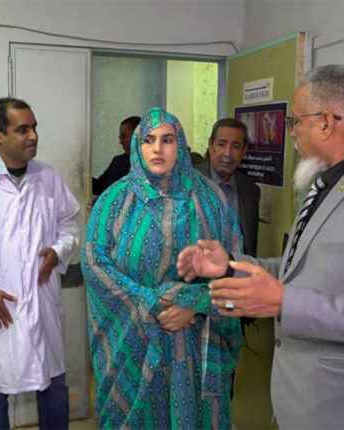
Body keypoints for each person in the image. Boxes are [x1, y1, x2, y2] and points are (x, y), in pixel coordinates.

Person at [177, 65, 344, 429]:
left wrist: (285, 303)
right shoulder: (325, 186)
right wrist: (229, 265)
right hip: (306, 403)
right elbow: (297, 270)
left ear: (326, 123)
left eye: (295, 121)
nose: (292, 132)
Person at [81, 107, 242, 429]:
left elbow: (234, 265)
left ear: (180, 145)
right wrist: (149, 301)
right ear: (137, 146)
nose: (158, 148)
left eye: (167, 140)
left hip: (195, 341)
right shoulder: (115, 200)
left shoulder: (210, 199)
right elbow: (94, 262)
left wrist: (194, 304)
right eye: (149, 140)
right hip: (133, 342)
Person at [0, 97, 81, 430]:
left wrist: (58, 251)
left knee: (52, 384)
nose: (33, 136)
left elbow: (69, 223)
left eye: (34, 127)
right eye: (22, 130)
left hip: (42, 302)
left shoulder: (49, 178)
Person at [195, 118, 260, 257]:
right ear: (210, 145)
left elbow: (250, 246)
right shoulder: (187, 182)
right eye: (221, 144)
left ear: (244, 151)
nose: (227, 154)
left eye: (235, 146)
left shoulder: (250, 190)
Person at [92, 115, 141, 195]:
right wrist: (81, 174)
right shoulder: (118, 162)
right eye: (120, 137)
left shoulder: (154, 165)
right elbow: (100, 187)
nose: (120, 141)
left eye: (124, 136)